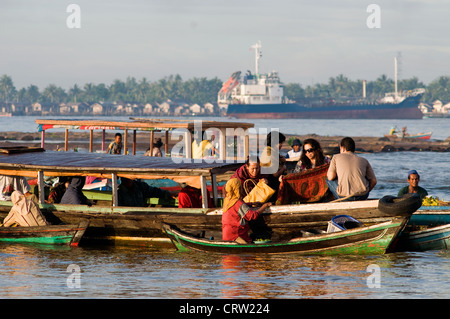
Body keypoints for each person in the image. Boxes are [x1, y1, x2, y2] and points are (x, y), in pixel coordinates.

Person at [326, 137, 377, 201]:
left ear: (343, 148)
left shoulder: (336, 157)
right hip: (362, 196)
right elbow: (374, 181)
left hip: (344, 197)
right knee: (365, 177)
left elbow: (331, 177)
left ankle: (336, 199)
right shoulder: (364, 160)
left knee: (328, 180)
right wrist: (365, 192)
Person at [221, 178, 271, 243]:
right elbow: (253, 215)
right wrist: (265, 206)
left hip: (226, 235)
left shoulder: (227, 201)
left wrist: (252, 203)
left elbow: (239, 207)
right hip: (237, 236)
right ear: (237, 189)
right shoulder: (238, 203)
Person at [260, 131, 287, 202]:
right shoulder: (271, 153)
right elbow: (275, 174)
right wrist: (283, 168)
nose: (281, 145)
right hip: (271, 184)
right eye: (280, 143)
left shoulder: (267, 150)